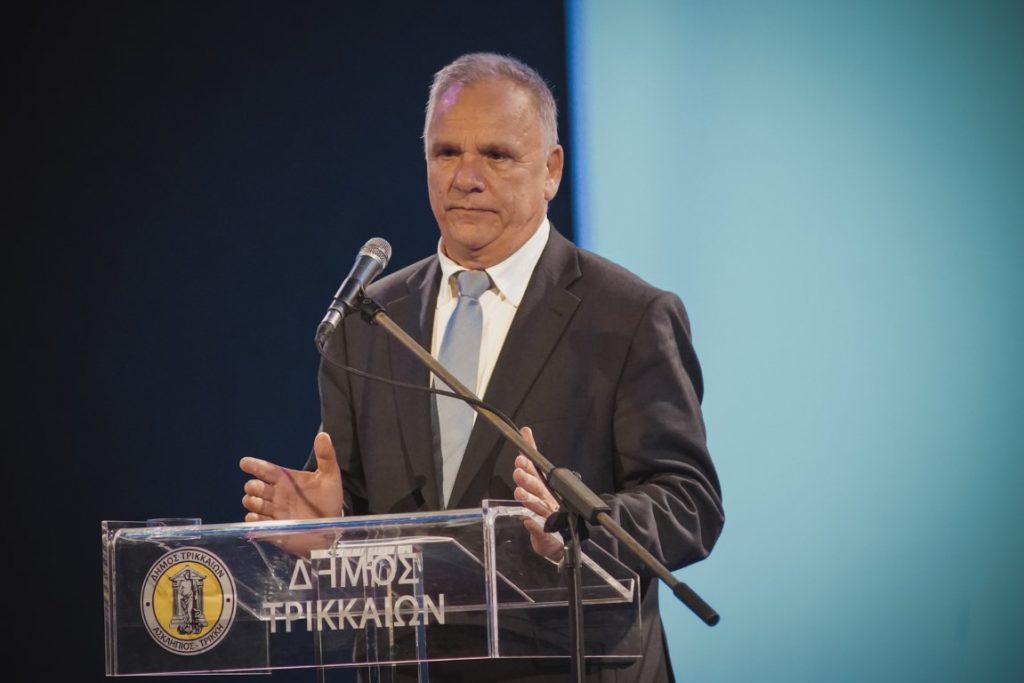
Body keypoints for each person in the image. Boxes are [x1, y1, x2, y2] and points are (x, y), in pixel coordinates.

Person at [240, 52, 724, 682]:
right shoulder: (369, 320)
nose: (465, 177)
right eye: (446, 153)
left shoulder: (629, 316)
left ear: (551, 170)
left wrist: (574, 530)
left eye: (496, 155)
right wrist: (329, 530)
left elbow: (689, 502)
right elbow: (355, 507)